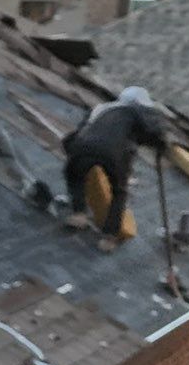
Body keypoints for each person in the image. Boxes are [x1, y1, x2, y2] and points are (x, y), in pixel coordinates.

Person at [62, 86, 170, 249]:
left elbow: (77, 133)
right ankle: (109, 236)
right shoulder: (137, 111)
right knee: (119, 191)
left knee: (74, 175)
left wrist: (73, 152)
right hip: (114, 153)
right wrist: (161, 145)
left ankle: (79, 214)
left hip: (82, 146)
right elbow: (154, 131)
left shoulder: (101, 108)